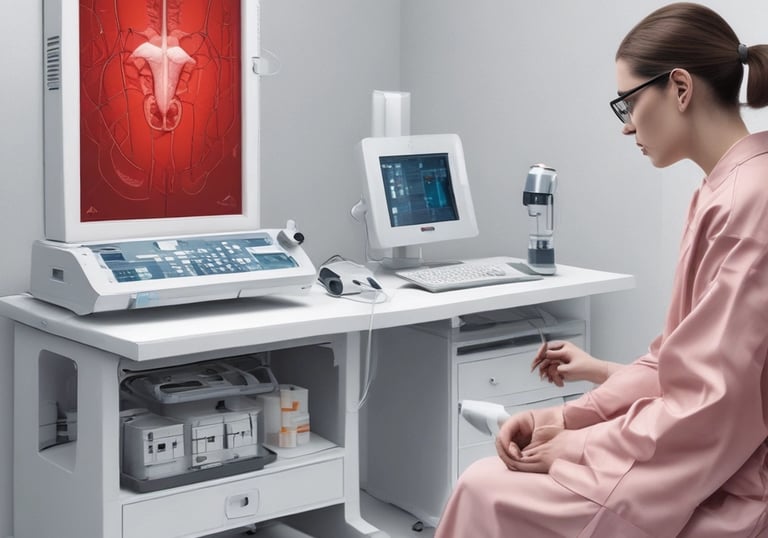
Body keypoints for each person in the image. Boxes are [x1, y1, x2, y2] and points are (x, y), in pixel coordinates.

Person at [434, 3, 768, 537]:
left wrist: (579, 444)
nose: (627, 125)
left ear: (680, 88)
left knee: (484, 488)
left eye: (629, 103)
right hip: (698, 449)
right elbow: (672, 363)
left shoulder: (750, 201)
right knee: (486, 481)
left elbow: (712, 404)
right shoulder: (719, 192)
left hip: (730, 481)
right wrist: (560, 420)